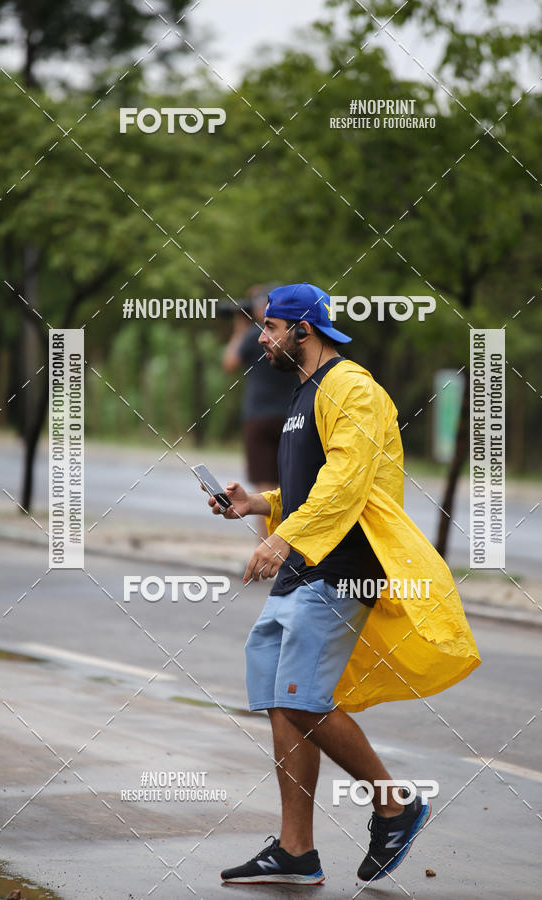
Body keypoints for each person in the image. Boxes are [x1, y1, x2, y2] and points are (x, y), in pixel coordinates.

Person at [205, 282, 481, 885]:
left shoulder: (351, 387)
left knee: (302, 698)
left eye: (273, 329)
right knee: (281, 700)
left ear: (302, 329)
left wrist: (283, 540)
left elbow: (350, 481)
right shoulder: (306, 391)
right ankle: (296, 851)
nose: (265, 339)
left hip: (341, 568)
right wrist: (257, 505)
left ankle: (394, 802)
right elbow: (312, 488)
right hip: (305, 563)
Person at [222, 284, 298, 538]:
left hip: (259, 416)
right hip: (293, 414)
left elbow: (230, 363)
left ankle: (266, 547)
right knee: (293, 482)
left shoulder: (254, 335)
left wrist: (239, 329)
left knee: (265, 484)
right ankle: (291, 549)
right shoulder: (291, 334)